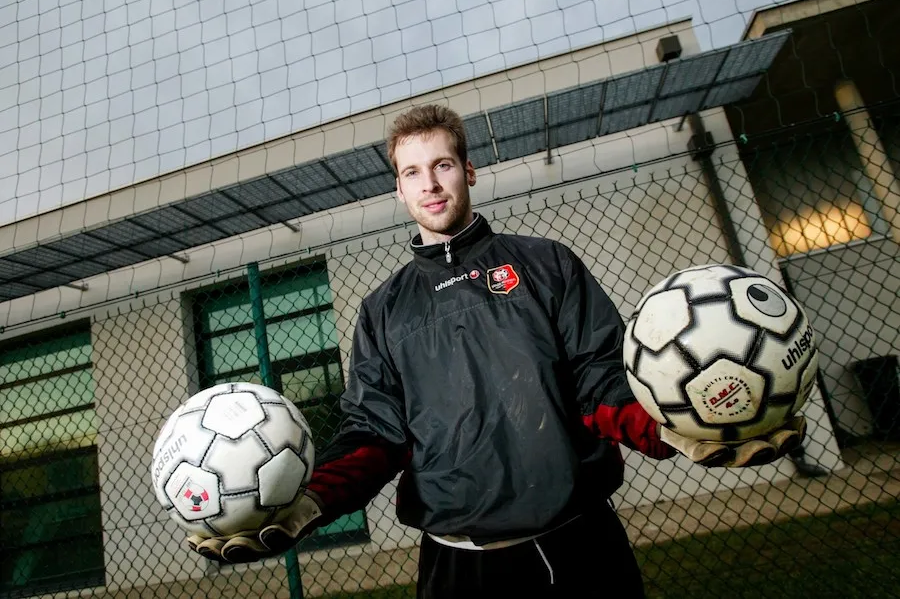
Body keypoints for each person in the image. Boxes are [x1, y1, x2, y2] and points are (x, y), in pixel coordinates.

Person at [188, 104, 806, 598]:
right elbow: (375, 437)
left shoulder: (547, 264)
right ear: (397, 188)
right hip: (460, 566)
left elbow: (603, 387)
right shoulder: (384, 310)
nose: (430, 184)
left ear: (469, 170)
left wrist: (678, 432)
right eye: (412, 172)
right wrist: (307, 504)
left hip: (581, 544)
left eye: (443, 165)